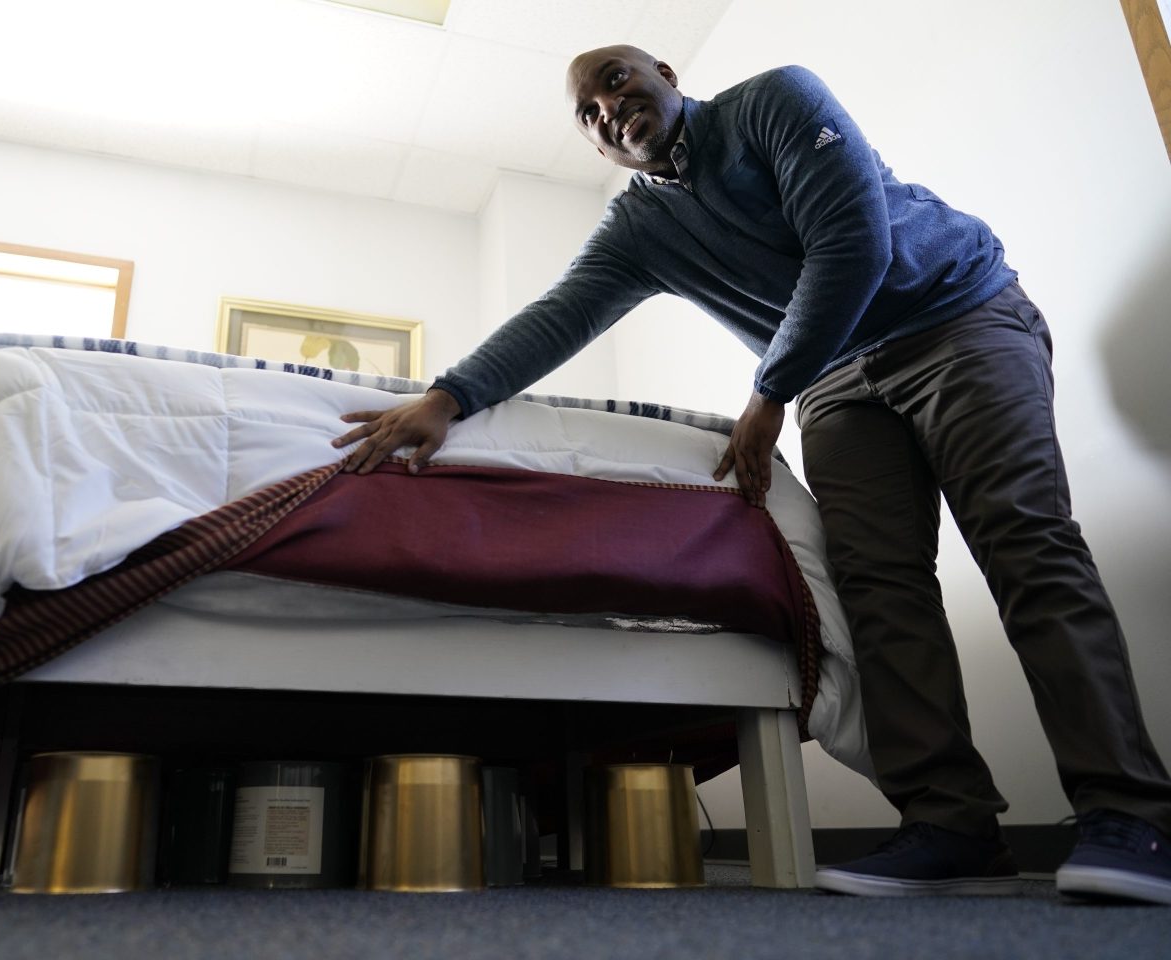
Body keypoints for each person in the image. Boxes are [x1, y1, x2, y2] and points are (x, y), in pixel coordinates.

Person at [330, 45, 1171, 903]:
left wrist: (770, 391)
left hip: (953, 315)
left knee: (1024, 543)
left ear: (664, 71)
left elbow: (853, 244)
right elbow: (562, 313)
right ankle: (951, 823)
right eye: (588, 115)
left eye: (616, 81)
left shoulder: (774, 103)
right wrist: (448, 395)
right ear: (598, 150)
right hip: (838, 381)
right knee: (877, 591)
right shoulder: (640, 229)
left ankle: (1130, 813)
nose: (607, 109)